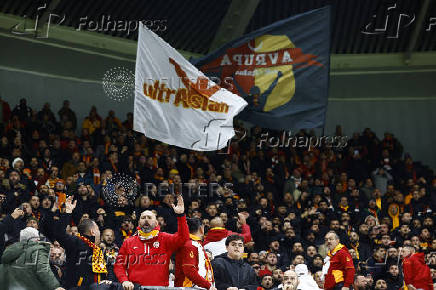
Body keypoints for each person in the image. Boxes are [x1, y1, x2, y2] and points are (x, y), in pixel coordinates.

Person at [113, 194, 189, 289]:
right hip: (136, 288)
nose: (146, 220)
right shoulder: (129, 242)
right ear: (139, 222)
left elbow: (184, 239)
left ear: (156, 223)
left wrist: (181, 216)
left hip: (160, 288)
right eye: (143, 218)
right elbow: (119, 265)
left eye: (149, 218)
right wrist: (124, 280)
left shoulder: (164, 238)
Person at [41, 196, 113, 289]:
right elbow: (59, 234)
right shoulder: (76, 242)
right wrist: (67, 212)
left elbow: (109, 268)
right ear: (92, 232)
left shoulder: (99, 250)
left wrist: (108, 280)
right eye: (98, 229)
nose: (100, 232)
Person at [0, 227, 64, 290]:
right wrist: (55, 286)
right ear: (36, 238)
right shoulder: (37, 250)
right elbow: (42, 269)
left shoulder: (11, 252)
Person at [175, 217, 215, 289]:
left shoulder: (194, 244)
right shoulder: (190, 244)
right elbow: (189, 270)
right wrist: (208, 285)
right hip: (189, 288)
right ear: (201, 229)